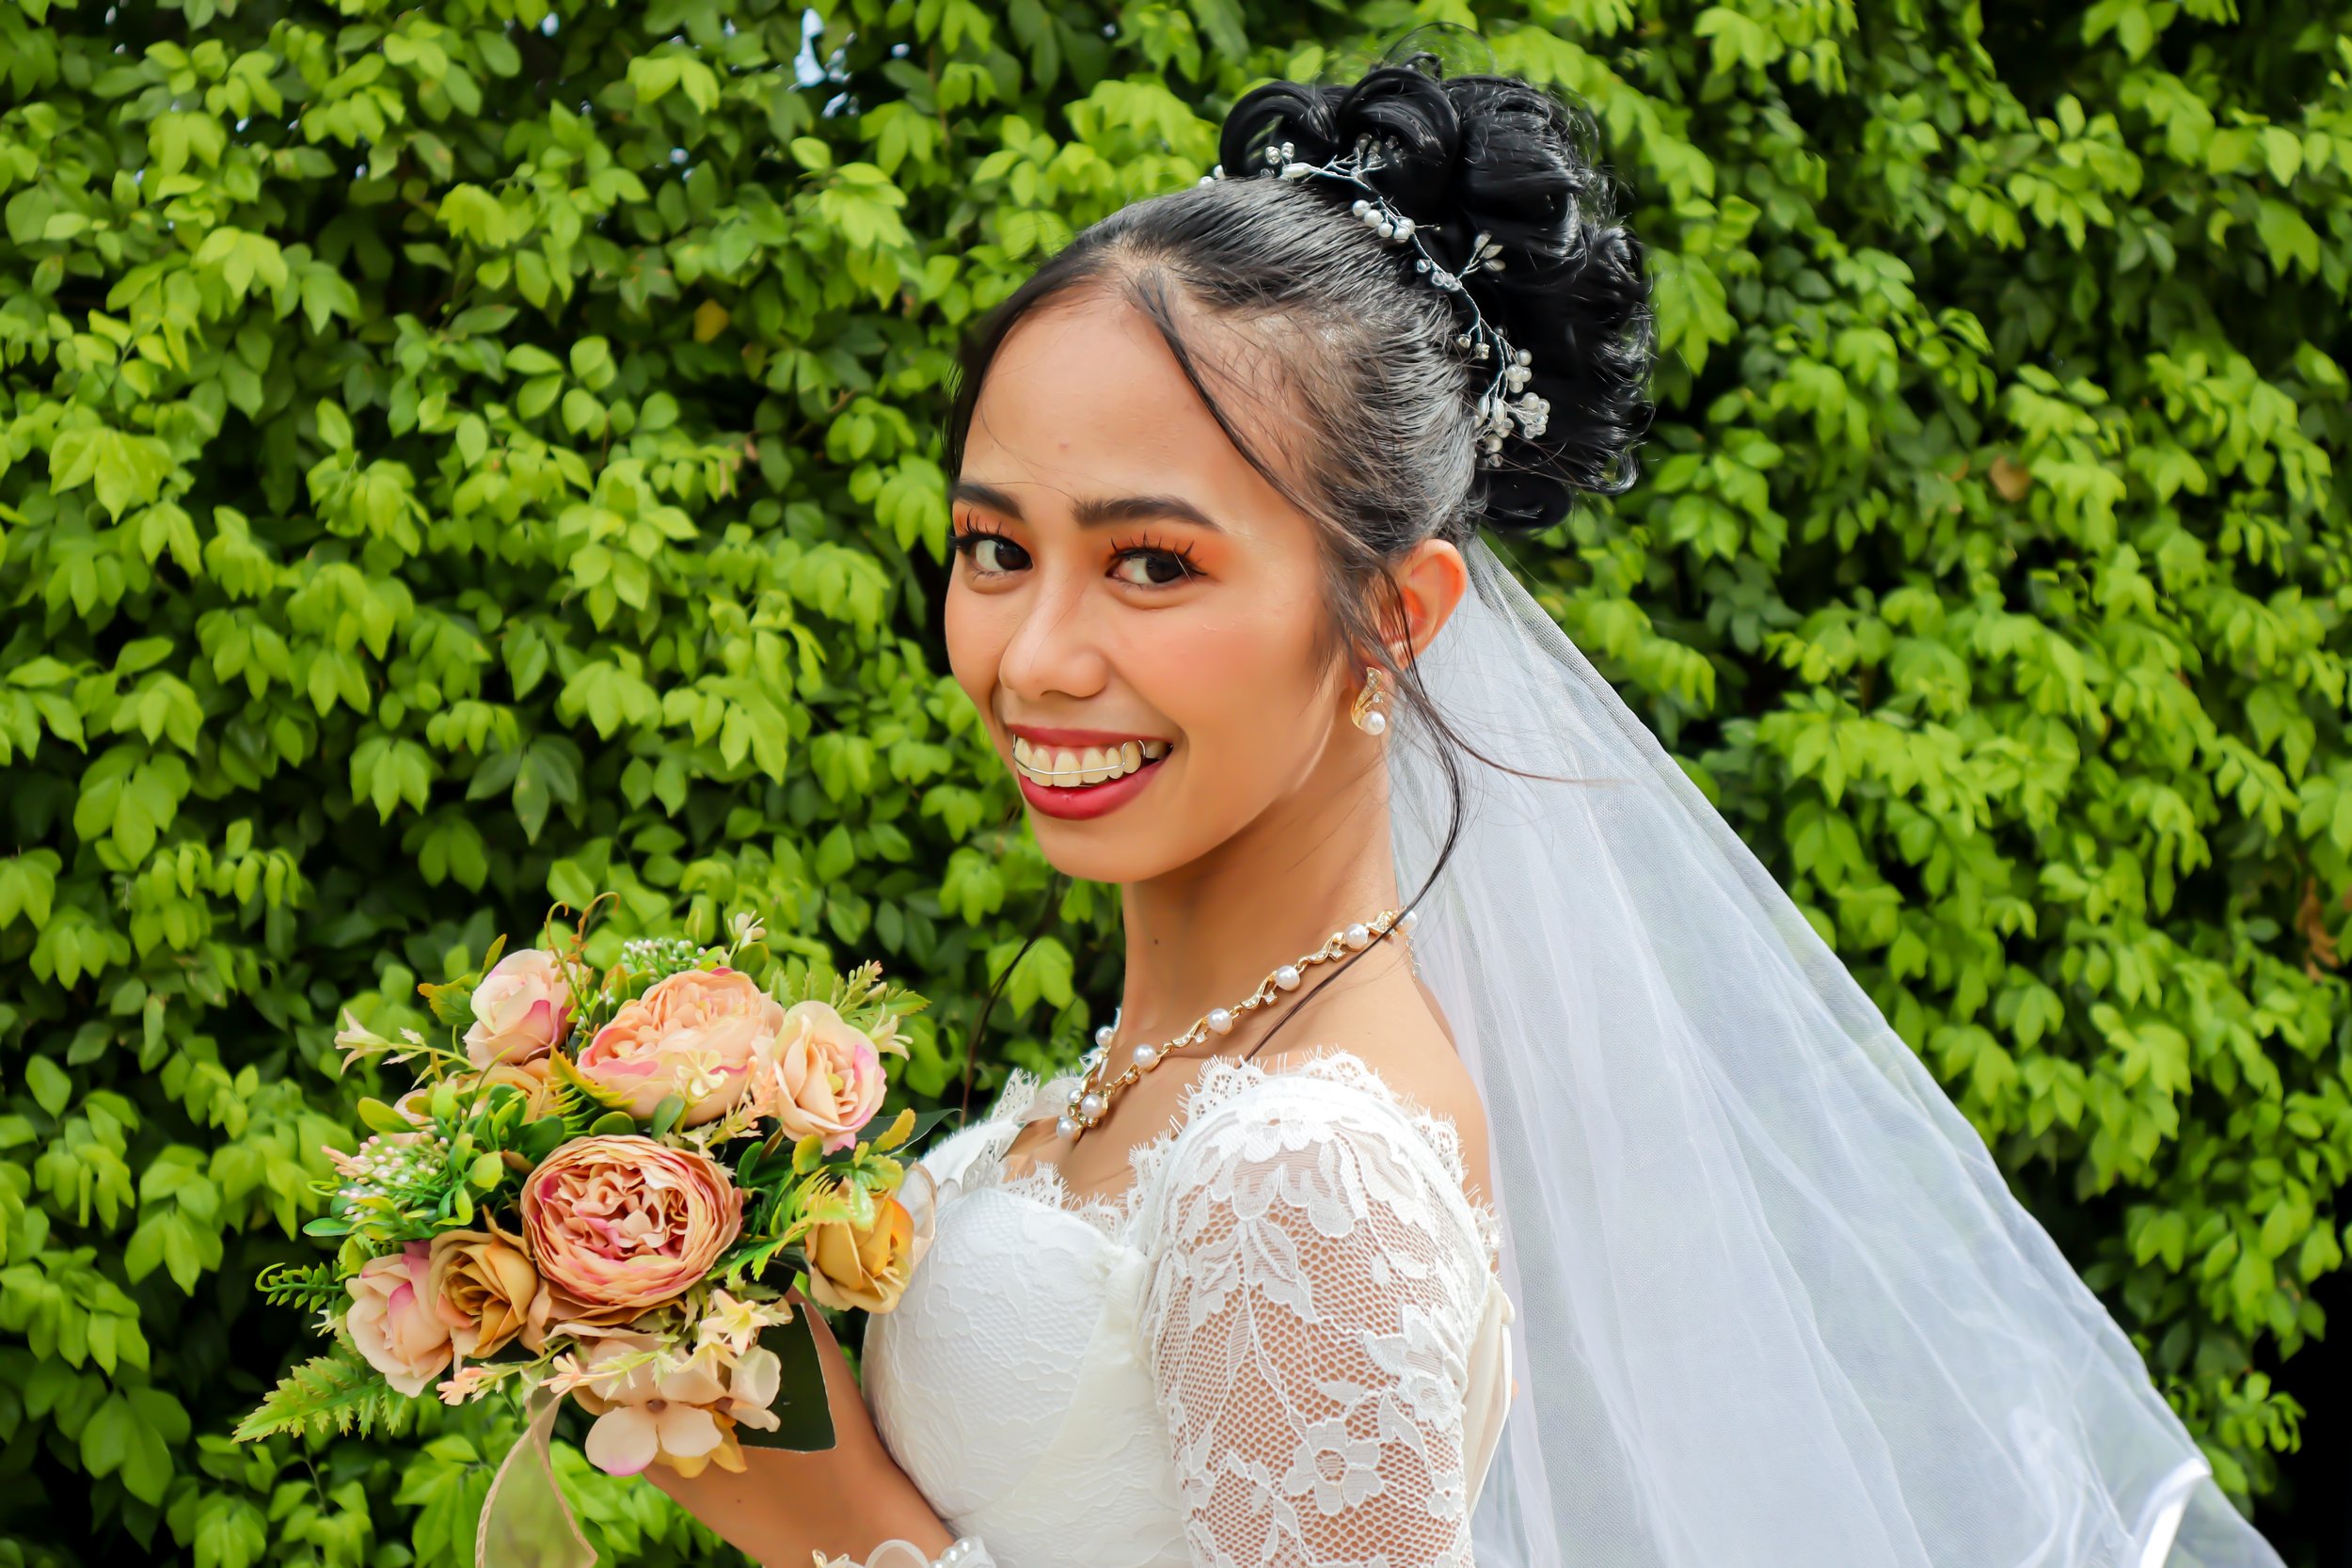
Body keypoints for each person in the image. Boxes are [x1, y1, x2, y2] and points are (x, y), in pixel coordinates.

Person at [653, 57, 2285, 1568]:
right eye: (996, 548)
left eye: (1154, 563)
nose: (1035, 655)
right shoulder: (1173, 1066)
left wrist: (827, 1515)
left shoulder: (1309, 1164)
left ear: (1397, 616)